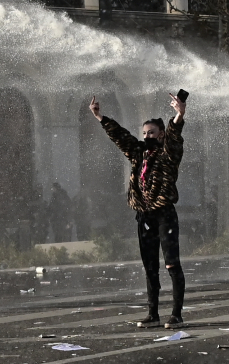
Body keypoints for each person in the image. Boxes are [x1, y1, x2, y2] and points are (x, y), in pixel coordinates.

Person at [90, 92, 187, 329]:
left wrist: (179, 114)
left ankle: (176, 315)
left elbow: (175, 136)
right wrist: (99, 117)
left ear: (161, 134)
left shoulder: (168, 154)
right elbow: (121, 136)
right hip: (144, 215)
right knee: (150, 266)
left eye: (151, 132)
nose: (147, 136)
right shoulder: (139, 153)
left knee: (172, 263)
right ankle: (153, 314)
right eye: (144, 133)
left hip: (164, 214)